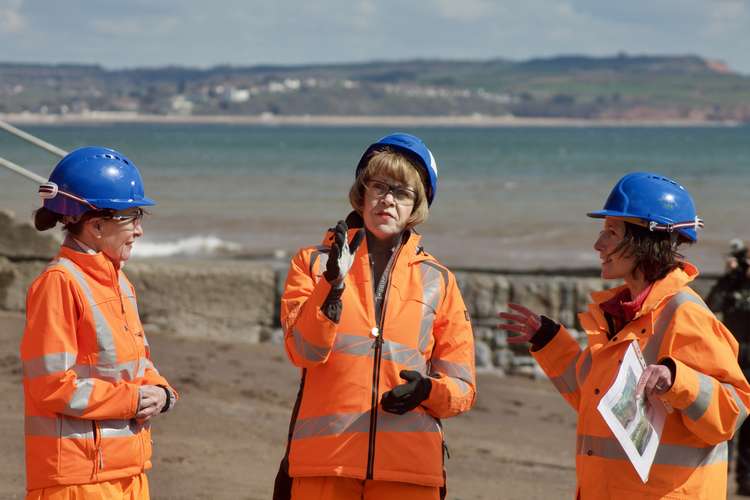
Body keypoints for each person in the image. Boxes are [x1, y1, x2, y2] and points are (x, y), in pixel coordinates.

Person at [498, 172, 750, 499]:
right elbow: (598, 400)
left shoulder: (684, 314)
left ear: (647, 241)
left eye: (611, 233)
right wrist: (550, 342)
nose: (598, 245)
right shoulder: (621, 315)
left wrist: (677, 381)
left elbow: (731, 413)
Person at [273, 133, 476, 500]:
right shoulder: (313, 263)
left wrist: (428, 390)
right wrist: (331, 285)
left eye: (401, 191)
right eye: (378, 186)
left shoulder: (439, 280)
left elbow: (462, 389)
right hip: (325, 466)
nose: (387, 199)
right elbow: (302, 351)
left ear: (417, 205)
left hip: (410, 473)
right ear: (362, 192)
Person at [21, 147, 177, 499]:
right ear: (95, 225)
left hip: (128, 472)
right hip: (78, 480)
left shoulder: (120, 282)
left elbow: (137, 365)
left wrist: (163, 393)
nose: (138, 231)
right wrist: (135, 400)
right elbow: (52, 385)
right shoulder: (59, 283)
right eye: (132, 217)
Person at [706, 238, 750, 495]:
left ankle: (745, 480)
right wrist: (728, 277)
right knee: (726, 427)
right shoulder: (732, 285)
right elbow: (711, 306)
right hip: (730, 364)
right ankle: (720, 477)